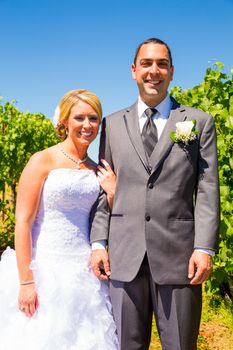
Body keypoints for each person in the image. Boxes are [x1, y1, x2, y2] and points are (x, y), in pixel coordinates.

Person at [90, 38, 220, 350]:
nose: (154, 71)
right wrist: (98, 243)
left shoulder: (197, 122)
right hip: (124, 256)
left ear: (172, 72)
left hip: (179, 258)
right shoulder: (112, 124)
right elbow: (103, 185)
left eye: (161, 64)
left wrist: (204, 248)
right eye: (146, 64)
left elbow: (207, 187)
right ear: (134, 71)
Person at [0, 89, 119, 349]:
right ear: (64, 121)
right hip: (44, 269)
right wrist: (26, 281)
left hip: (84, 274)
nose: (87, 125)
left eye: (94, 118)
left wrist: (112, 192)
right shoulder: (42, 160)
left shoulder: (96, 169)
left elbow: (101, 216)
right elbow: (23, 222)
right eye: (80, 118)